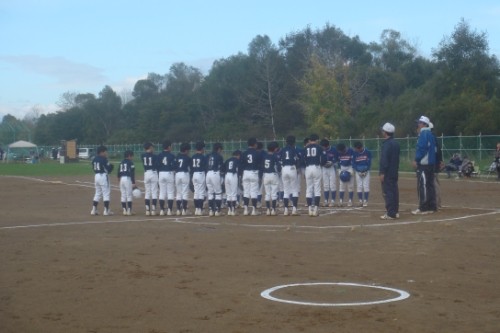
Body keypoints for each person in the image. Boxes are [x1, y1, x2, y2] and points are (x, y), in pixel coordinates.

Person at [412, 116, 437, 215]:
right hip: (431, 163)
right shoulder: (431, 134)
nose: (418, 124)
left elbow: (422, 149)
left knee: (423, 185)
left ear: (424, 124)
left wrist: (416, 160)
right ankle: (432, 206)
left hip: (424, 164)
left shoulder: (424, 134)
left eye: (420, 123)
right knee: (430, 185)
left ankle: (423, 207)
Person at [379, 123, 400, 220]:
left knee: (388, 192)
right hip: (394, 171)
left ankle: (391, 212)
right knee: (394, 191)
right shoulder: (396, 143)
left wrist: (382, 172)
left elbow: (384, 159)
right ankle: (395, 211)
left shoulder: (387, 144)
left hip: (387, 172)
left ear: (385, 132)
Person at [303, 134, 326, 217]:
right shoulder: (319, 147)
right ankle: (315, 209)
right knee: (317, 188)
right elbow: (323, 159)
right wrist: (322, 164)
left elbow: (302, 159)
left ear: (310, 140)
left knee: (309, 189)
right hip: (316, 167)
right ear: (316, 140)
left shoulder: (305, 148)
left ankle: (309, 209)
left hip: (308, 168)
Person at [279, 135, 300, 216]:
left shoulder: (283, 150)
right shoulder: (294, 149)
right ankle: (294, 209)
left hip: (284, 169)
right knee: (294, 189)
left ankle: (286, 210)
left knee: (286, 190)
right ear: (294, 142)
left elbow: (279, 159)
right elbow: (298, 158)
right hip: (292, 168)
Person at [240, 137, 262, 216]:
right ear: (255, 144)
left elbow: (241, 164)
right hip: (254, 173)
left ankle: (245, 210)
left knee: (246, 192)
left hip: (245, 173)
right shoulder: (257, 153)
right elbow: (260, 165)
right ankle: (254, 210)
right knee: (254, 192)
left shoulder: (244, 153)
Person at [90, 145, 114, 216]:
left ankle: (94, 210)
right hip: (103, 176)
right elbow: (108, 169)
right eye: (105, 152)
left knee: (97, 193)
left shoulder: (94, 159)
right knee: (106, 193)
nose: (106, 153)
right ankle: (106, 211)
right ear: (101, 152)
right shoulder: (104, 159)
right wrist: (111, 166)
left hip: (96, 175)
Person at [157, 140, 177, 216]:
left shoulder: (159, 155)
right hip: (169, 173)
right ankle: (169, 210)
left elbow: (157, 166)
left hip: (161, 173)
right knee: (170, 192)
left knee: (162, 192)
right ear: (169, 147)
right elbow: (174, 166)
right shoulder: (172, 155)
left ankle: (162, 210)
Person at [262, 141, 281, 216]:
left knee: (267, 193)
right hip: (273, 174)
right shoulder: (275, 156)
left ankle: (267, 210)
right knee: (274, 193)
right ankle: (273, 210)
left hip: (266, 175)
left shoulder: (264, 156)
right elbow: (278, 167)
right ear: (274, 149)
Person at [206, 142, 225, 216]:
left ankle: (211, 210)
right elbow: (221, 167)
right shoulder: (219, 156)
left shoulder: (208, 155)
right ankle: (217, 210)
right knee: (218, 193)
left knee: (210, 193)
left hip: (208, 174)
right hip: (215, 173)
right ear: (219, 149)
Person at [352, 141, 372, 207]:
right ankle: (360, 201)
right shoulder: (355, 153)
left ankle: (365, 201)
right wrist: (358, 171)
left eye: (356, 148)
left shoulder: (367, 152)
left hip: (366, 171)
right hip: (358, 172)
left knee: (366, 186)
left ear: (359, 148)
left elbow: (369, 162)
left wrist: (366, 171)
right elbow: (353, 163)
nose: (355, 150)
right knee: (359, 186)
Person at [141, 142, 159, 216]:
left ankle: (147, 210)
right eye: (152, 147)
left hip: (146, 173)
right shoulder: (154, 156)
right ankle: (153, 210)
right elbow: (157, 165)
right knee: (154, 192)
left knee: (147, 192)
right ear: (150, 147)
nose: (153, 148)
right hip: (153, 173)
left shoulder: (142, 155)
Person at [429, 122, 444, 209]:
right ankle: (437, 202)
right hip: (435, 164)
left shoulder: (432, 138)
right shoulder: (434, 138)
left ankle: (436, 203)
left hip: (433, 164)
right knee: (435, 183)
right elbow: (439, 151)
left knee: (434, 184)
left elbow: (436, 151)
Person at [118, 150, 136, 216]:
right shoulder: (130, 163)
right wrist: (133, 182)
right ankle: (129, 211)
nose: (132, 157)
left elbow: (118, 172)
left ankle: (124, 210)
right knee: (129, 195)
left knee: (123, 195)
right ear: (129, 156)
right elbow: (132, 173)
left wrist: (119, 179)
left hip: (122, 179)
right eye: (132, 156)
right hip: (127, 179)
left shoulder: (121, 162)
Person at [320, 139, 338, 207]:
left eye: (323, 146)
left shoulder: (333, 150)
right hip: (324, 168)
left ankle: (333, 201)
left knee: (332, 185)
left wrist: (332, 162)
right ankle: (326, 201)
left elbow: (337, 158)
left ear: (327, 146)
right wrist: (322, 163)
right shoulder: (321, 150)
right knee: (325, 185)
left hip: (331, 168)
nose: (322, 148)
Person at [191, 141, 207, 215]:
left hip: (194, 174)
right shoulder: (203, 157)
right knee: (201, 193)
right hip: (201, 174)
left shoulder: (193, 157)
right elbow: (205, 167)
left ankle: (196, 209)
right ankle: (200, 209)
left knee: (196, 192)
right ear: (202, 148)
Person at [175, 143, 191, 215]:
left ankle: (178, 210)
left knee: (178, 193)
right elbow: (190, 167)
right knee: (185, 192)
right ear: (186, 150)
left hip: (177, 174)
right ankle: (184, 210)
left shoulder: (177, 157)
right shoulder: (188, 158)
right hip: (185, 174)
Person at [224, 150, 241, 216]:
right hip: (233, 175)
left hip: (227, 175)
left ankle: (229, 210)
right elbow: (239, 169)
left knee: (228, 194)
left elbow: (223, 168)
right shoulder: (237, 160)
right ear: (237, 155)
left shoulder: (228, 160)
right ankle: (233, 210)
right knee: (234, 193)